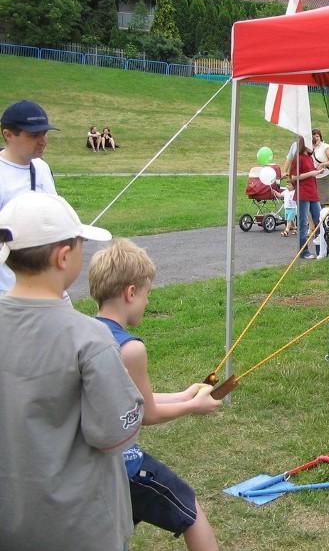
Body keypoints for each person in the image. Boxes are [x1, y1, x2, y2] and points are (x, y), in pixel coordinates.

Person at [0, 192, 143, 551]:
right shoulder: (89, 337)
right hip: (78, 526)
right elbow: (114, 431)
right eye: (80, 246)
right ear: (64, 256)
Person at [89, 238, 222, 551]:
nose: (148, 302)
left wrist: (185, 394)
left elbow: (133, 399)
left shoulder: (88, 332)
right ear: (131, 292)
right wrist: (193, 408)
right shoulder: (130, 348)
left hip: (96, 461)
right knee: (191, 512)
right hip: (125, 465)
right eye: (147, 293)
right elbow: (146, 414)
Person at [0, 100, 60, 295]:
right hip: (7, 291)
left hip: (44, 285)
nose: (43, 141)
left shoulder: (42, 168)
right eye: (34, 135)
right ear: (8, 135)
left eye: (44, 133)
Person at [290, 136, 323, 259]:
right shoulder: (299, 158)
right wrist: (311, 173)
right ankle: (303, 251)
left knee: (319, 220)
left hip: (313, 193)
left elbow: (310, 172)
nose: (313, 147)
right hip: (303, 193)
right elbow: (294, 177)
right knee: (303, 223)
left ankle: (321, 249)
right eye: (312, 144)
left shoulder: (310, 158)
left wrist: (317, 170)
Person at [311, 128, 329, 204]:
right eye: (313, 136)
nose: (316, 138)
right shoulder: (309, 147)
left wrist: (323, 164)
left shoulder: (325, 147)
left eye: (317, 136)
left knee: (323, 201)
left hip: (323, 177)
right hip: (312, 177)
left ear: (320, 137)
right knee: (313, 201)